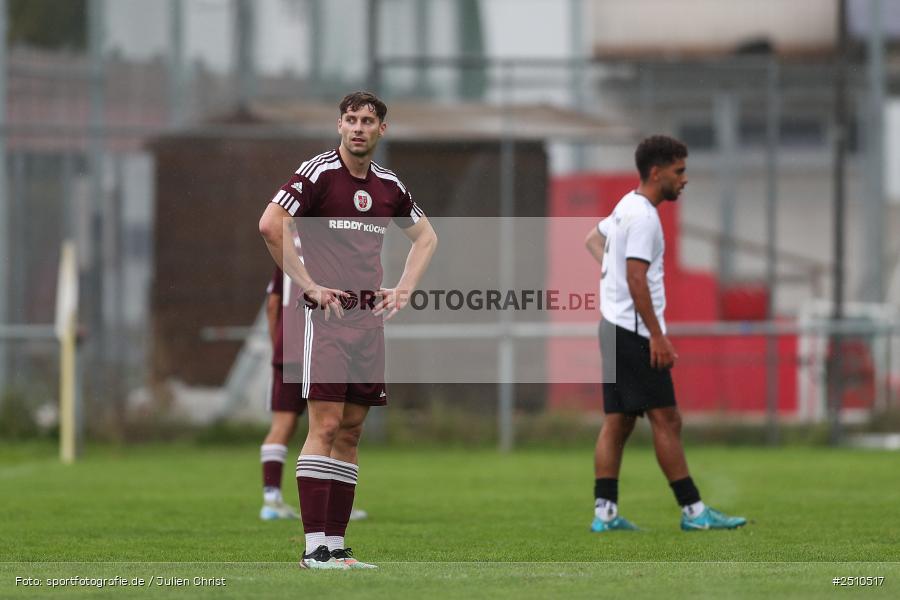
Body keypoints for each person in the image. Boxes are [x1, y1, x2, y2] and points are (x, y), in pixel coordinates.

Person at [258, 91, 437, 569]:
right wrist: (308, 285)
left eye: (368, 121)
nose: (358, 128)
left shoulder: (388, 186)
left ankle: (336, 548)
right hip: (328, 320)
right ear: (339, 125)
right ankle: (314, 546)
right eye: (351, 119)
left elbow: (426, 237)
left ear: (382, 130)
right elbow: (270, 224)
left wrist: (403, 288)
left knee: (353, 431)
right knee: (327, 425)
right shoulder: (317, 174)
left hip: (368, 322)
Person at [584, 135, 746, 532]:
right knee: (667, 419)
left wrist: (615, 283)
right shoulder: (643, 218)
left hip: (612, 326)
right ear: (656, 172)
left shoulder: (626, 205)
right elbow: (637, 277)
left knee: (618, 422)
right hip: (634, 333)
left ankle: (604, 515)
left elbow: (592, 240)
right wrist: (656, 335)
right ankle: (694, 512)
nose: (684, 179)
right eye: (680, 171)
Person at [258, 260, 368, 522]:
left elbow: (273, 304)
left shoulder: (284, 254)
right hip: (325, 349)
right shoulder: (331, 249)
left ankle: (271, 500)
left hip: (289, 352)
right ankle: (335, 503)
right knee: (332, 427)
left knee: (282, 425)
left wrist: (279, 346)